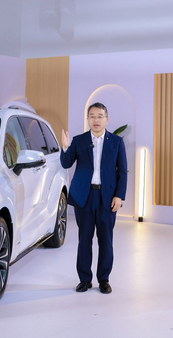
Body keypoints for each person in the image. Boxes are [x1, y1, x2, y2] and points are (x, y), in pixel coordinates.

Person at [60, 102, 127, 294]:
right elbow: (66, 163)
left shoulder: (116, 142)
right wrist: (65, 147)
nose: (96, 120)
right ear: (87, 119)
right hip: (85, 197)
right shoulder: (79, 140)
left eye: (100, 116)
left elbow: (122, 172)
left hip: (107, 198)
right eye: (92, 116)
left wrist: (119, 196)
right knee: (84, 239)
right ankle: (84, 279)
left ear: (106, 119)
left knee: (106, 240)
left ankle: (104, 279)